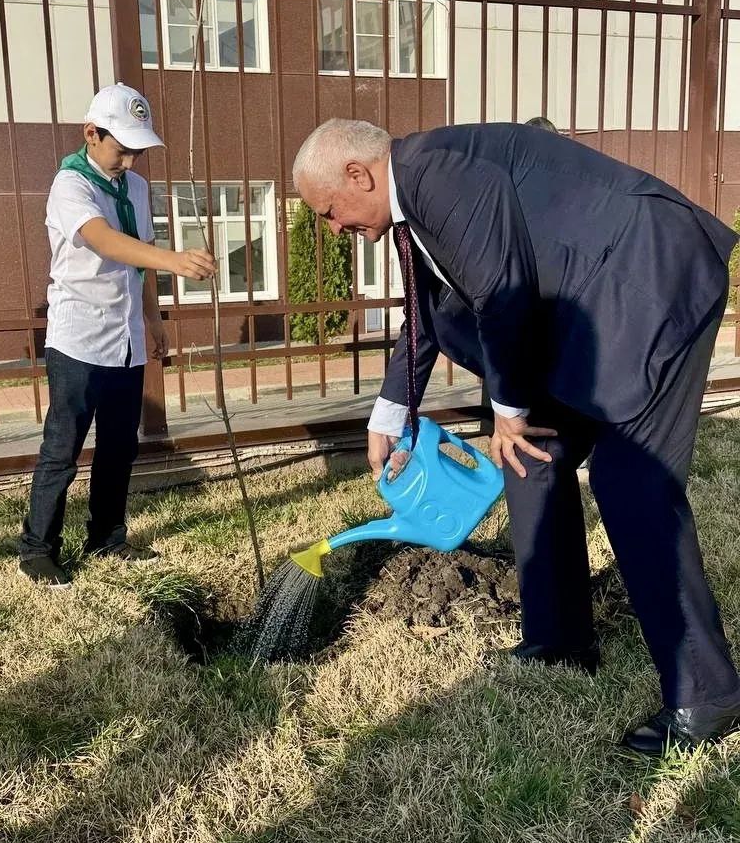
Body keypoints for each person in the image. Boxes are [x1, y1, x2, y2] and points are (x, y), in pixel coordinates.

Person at [292, 117, 740, 755]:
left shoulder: (438, 175)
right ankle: (559, 637)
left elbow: (502, 294)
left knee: (629, 478)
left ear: (359, 175)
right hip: (591, 315)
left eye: (329, 211)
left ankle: (708, 694)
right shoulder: (413, 195)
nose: (333, 228)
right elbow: (429, 308)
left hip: (650, 287)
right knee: (530, 457)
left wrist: (507, 408)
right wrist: (390, 412)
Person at [19, 82, 216, 589]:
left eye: (137, 151)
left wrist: (151, 320)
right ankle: (38, 548)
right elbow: (104, 241)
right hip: (79, 337)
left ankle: (107, 536)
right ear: (91, 133)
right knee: (63, 446)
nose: (130, 161)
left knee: (118, 446)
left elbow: (140, 257)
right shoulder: (71, 185)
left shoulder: (136, 186)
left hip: (125, 336)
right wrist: (175, 260)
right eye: (122, 148)